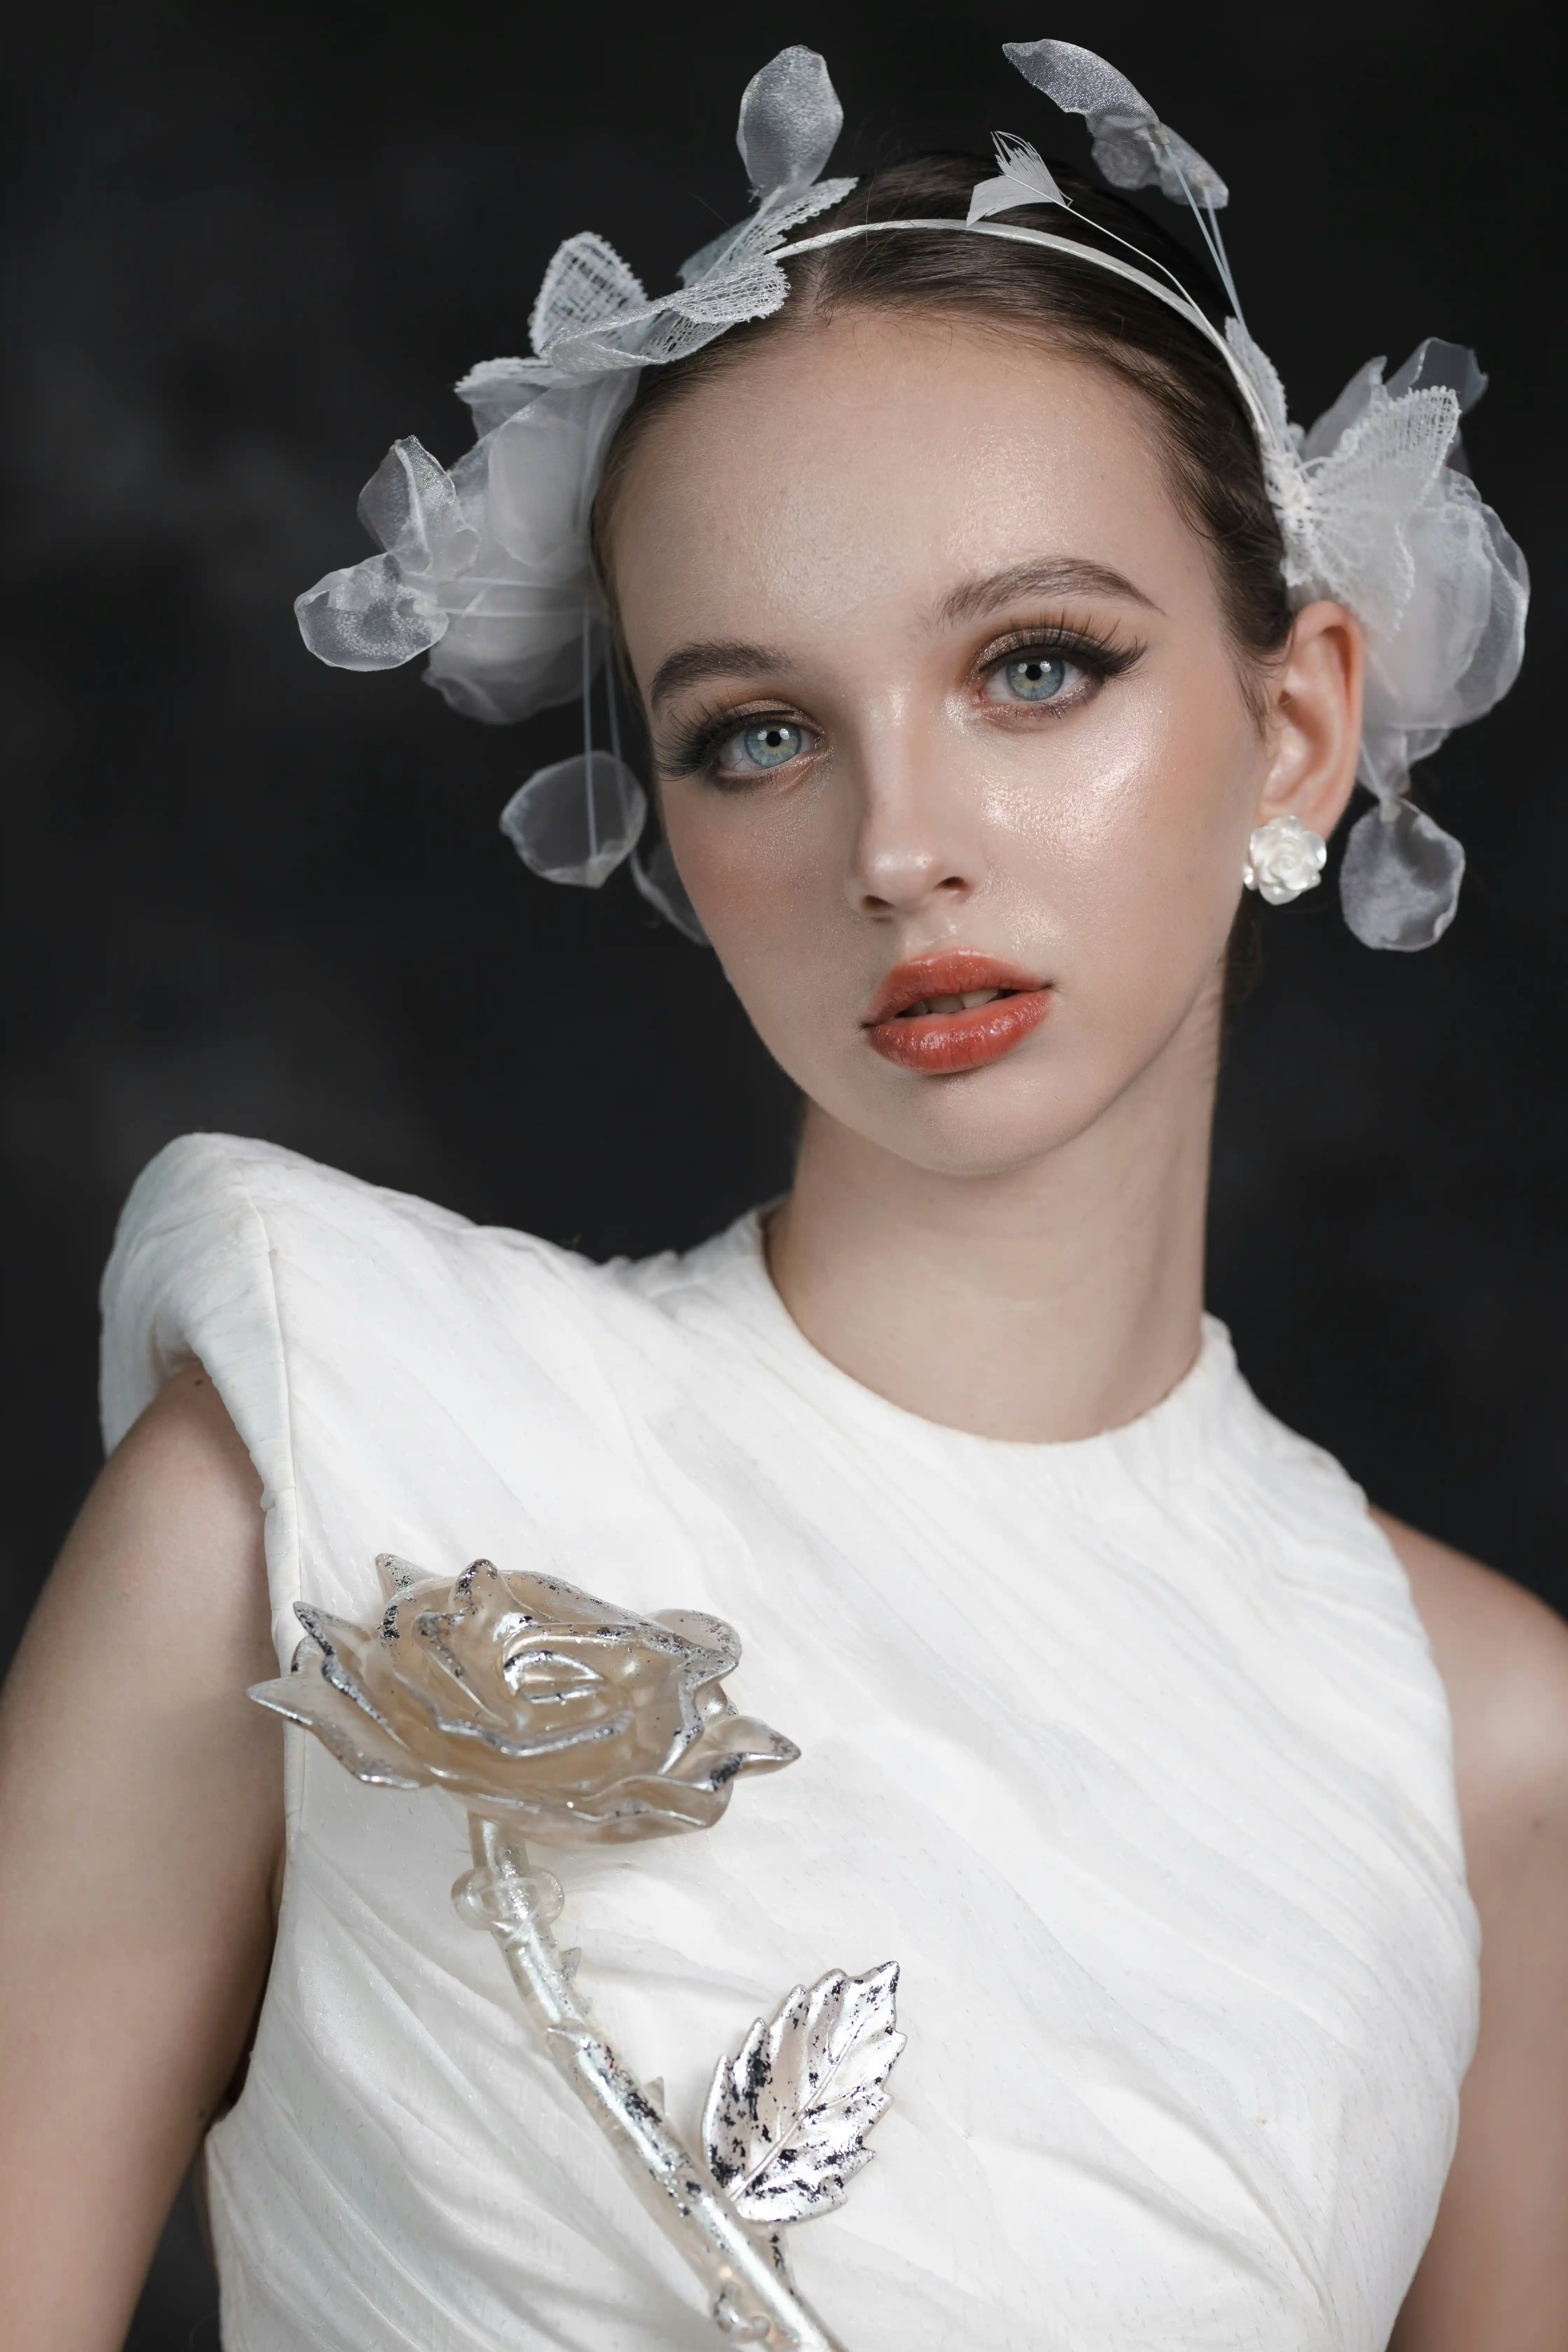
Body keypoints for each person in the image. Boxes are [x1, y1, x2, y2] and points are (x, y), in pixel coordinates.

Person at [1, 36, 1563, 2352]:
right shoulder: (320, 1456)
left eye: (1040, 667)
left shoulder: (1494, 1749)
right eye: (758, 729)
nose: (895, 842)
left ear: (1303, 726)